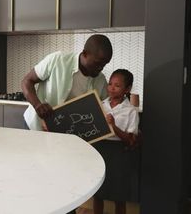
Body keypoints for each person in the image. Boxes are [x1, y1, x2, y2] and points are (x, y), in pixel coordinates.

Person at [21, 34, 113, 132]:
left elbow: (105, 106)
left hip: (64, 133)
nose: (100, 68)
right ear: (85, 54)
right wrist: (37, 105)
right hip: (35, 127)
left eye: (104, 64)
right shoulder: (57, 60)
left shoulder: (101, 80)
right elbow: (27, 81)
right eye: (97, 63)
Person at [93, 69, 140, 214]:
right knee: (98, 193)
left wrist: (113, 126)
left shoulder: (131, 111)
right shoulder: (100, 104)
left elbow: (131, 140)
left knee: (119, 195)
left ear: (127, 89)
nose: (111, 88)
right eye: (110, 84)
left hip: (119, 153)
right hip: (100, 150)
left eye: (117, 85)